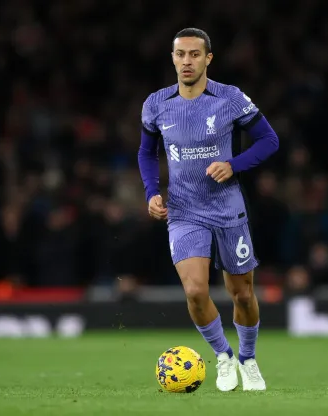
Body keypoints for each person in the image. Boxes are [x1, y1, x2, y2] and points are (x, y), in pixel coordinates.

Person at [137, 28, 279, 391]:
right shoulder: (156, 103)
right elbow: (146, 152)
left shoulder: (229, 99)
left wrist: (234, 165)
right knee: (196, 291)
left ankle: (248, 359)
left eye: (195, 54)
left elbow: (269, 140)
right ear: (172, 58)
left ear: (208, 59)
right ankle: (223, 356)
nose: (187, 61)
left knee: (243, 294)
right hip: (184, 210)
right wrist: (153, 191)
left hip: (227, 206)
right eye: (181, 54)